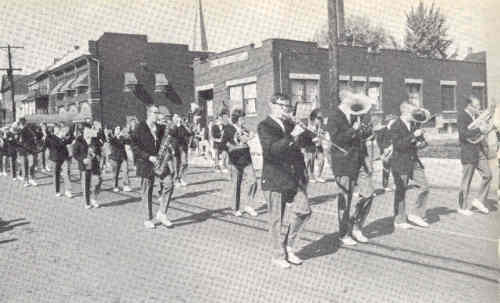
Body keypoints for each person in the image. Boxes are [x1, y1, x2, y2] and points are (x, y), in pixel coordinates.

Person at [257, 93, 312, 268]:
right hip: (275, 176)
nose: (285, 110)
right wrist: (292, 136)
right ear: (271, 105)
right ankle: (277, 255)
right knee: (276, 219)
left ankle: (288, 246)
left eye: (287, 107)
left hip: (293, 176)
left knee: (304, 211)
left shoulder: (290, 124)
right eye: (282, 106)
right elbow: (272, 150)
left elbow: (303, 145)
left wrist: (309, 133)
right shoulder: (264, 126)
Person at [326, 90, 379, 245]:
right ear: (344, 102)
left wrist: (368, 133)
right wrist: (353, 130)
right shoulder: (334, 117)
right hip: (343, 162)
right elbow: (336, 140)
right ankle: (343, 233)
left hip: (360, 159)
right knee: (345, 198)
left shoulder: (358, 114)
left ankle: (356, 226)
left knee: (368, 194)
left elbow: (361, 135)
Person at [388, 101, 431, 228]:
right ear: (405, 112)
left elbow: (420, 143)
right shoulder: (395, 125)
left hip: (413, 160)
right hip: (400, 161)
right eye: (413, 112)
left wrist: (421, 142)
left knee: (425, 187)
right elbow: (398, 145)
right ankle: (399, 220)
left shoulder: (414, 124)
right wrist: (413, 136)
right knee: (401, 191)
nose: (416, 114)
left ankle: (416, 214)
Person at [132, 105, 173, 229]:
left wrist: (171, 124)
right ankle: (147, 218)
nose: (158, 115)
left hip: (160, 161)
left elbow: (170, 134)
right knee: (147, 190)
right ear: (149, 113)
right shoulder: (140, 127)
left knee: (169, 183)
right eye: (156, 113)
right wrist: (148, 157)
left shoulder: (160, 127)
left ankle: (162, 213)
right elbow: (134, 147)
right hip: (146, 162)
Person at [457, 96, 492, 215]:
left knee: (488, 175)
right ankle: (462, 207)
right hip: (468, 151)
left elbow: (483, 131)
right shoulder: (462, 116)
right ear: (469, 106)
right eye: (476, 106)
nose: (479, 108)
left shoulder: (476, 116)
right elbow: (463, 134)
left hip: (479, 150)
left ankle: (479, 200)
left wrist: (486, 128)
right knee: (466, 181)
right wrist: (479, 130)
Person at [222, 108, 259, 217]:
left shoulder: (243, 129)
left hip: (246, 158)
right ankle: (235, 208)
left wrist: (248, 136)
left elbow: (250, 136)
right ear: (237, 119)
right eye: (242, 118)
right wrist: (231, 146)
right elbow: (223, 144)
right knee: (236, 184)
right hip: (235, 159)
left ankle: (248, 205)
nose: (244, 120)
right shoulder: (229, 128)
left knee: (253, 181)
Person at [73, 125, 102, 209]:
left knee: (98, 181)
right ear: (83, 131)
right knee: (86, 183)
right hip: (85, 165)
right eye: (86, 131)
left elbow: (100, 150)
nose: (87, 132)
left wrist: (98, 156)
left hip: (95, 164)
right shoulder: (79, 140)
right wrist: (82, 159)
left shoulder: (95, 140)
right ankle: (87, 202)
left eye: (89, 130)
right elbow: (75, 154)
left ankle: (94, 198)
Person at [45, 123, 73, 198]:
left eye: (59, 128)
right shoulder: (50, 137)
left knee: (66, 173)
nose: (58, 130)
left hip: (64, 157)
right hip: (55, 158)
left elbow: (69, 141)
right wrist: (62, 139)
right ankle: (57, 190)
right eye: (56, 129)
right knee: (56, 174)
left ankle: (68, 190)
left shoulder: (62, 136)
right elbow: (53, 145)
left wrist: (69, 136)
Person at [302, 108, 326, 183]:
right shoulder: (307, 124)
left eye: (321, 118)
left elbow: (323, 135)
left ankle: (318, 176)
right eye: (319, 118)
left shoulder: (320, 125)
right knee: (310, 160)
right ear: (313, 117)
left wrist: (321, 135)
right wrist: (311, 139)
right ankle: (310, 176)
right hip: (309, 145)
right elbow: (303, 136)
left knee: (322, 160)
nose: (320, 120)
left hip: (318, 145)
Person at [169, 114, 192, 186]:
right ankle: (176, 179)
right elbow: (172, 134)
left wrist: (185, 126)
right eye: (176, 117)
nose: (178, 119)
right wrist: (177, 126)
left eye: (178, 117)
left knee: (184, 163)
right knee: (176, 164)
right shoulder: (171, 125)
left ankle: (181, 177)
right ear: (173, 118)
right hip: (175, 147)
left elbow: (189, 133)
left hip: (183, 147)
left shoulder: (182, 126)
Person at [109, 126, 132, 192]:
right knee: (116, 173)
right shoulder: (112, 138)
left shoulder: (123, 138)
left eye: (119, 129)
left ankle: (126, 185)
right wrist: (115, 136)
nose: (118, 130)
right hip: (115, 157)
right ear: (114, 131)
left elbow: (128, 142)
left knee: (125, 170)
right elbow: (111, 142)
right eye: (117, 129)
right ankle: (115, 186)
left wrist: (126, 136)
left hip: (123, 157)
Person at [17, 118, 38, 187]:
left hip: (30, 150)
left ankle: (32, 178)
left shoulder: (29, 130)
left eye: (24, 123)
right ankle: (26, 181)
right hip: (22, 151)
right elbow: (17, 141)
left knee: (32, 164)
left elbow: (35, 138)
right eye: (21, 123)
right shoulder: (19, 131)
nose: (23, 124)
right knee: (24, 166)